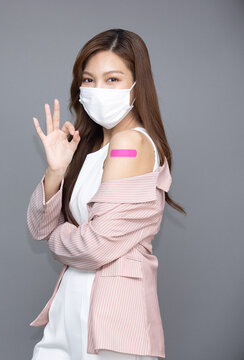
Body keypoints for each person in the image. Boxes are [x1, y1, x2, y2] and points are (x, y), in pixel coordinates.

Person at [26, 28, 186, 360]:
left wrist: (59, 235)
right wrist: (56, 171)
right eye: (89, 79)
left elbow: (96, 247)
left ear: (136, 85)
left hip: (114, 325)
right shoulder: (89, 147)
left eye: (112, 79)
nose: (98, 90)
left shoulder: (130, 145)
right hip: (68, 313)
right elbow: (38, 228)